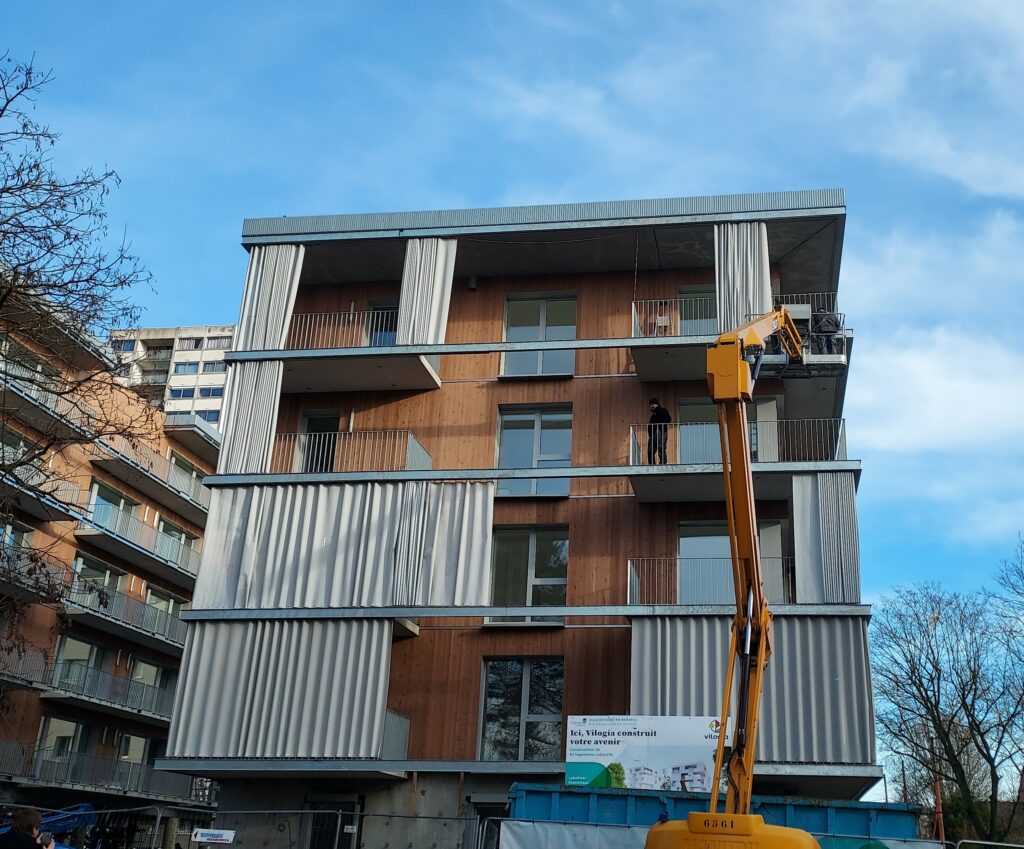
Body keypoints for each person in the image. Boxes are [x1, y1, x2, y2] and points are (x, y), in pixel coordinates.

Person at [647, 398, 671, 464]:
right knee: (650, 450)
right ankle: (652, 464)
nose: (651, 406)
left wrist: (660, 423)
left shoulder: (663, 410)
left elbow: (668, 419)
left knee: (661, 447)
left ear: (656, 404)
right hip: (653, 434)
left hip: (662, 432)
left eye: (652, 404)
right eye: (650, 405)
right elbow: (650, 425)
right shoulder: (653, 415)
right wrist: (650, 433)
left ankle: (663, 462)